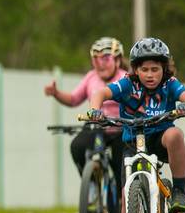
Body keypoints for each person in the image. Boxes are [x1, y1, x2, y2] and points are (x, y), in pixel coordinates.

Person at [87, 37, 185, 213]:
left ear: (164, 69)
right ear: (135, 70)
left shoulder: (170, 84)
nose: (150, 75)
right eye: (144, 69)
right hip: (132, 142)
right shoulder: (127, 85)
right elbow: (101, 93)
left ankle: (179, 192)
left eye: (155, 69)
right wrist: (95, 110)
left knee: (176, 135)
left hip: (160, 139)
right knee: (127, 195)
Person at [44, 37, 128, 184]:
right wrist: (56, 93)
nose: (100, 63)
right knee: (77, 147)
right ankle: (91, 184)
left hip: (120, 129)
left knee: (120, 167)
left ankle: (119, 193)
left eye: (106, 58)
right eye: (95, 59)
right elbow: (73, 99)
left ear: (117, 60)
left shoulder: (125, 78)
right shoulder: (91, 77)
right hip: (96, 126)